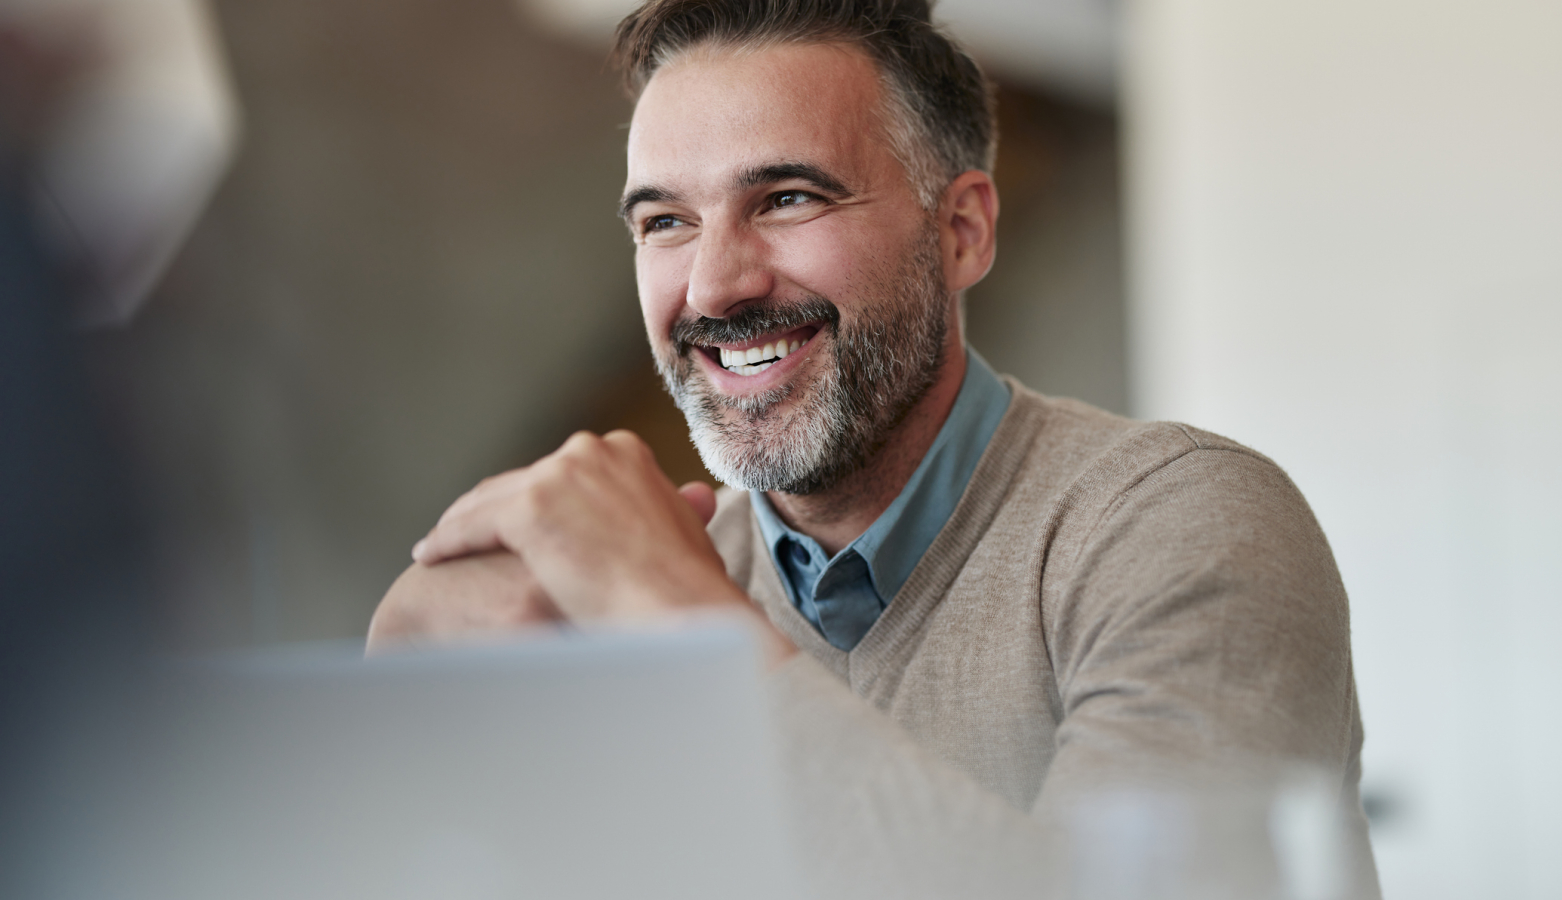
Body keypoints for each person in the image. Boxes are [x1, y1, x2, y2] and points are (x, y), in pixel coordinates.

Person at [368, 1, 1379, 896]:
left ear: (964, 230)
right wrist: (406, 748)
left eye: (788, 198)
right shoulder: (614, 607)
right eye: (666, 220)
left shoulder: (1178, 524)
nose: (714, 286)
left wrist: (686, 638)